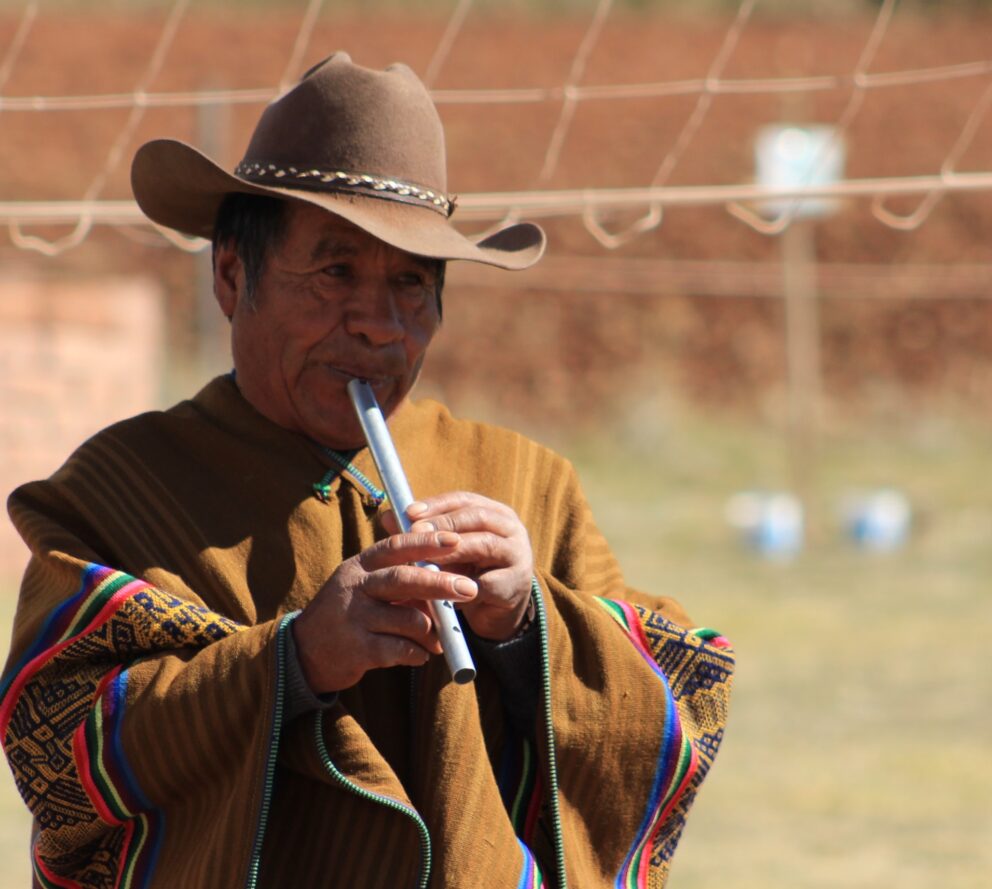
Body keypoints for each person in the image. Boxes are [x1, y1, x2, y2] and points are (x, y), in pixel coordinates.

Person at [1, 53, 734, 889]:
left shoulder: (525, 482)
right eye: (336, 272)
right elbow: (56, 754)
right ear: (233, 276)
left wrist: (528, 626)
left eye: (411, 285)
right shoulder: (118, 492)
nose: (380, 327)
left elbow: (680, 708)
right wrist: (295, 659)